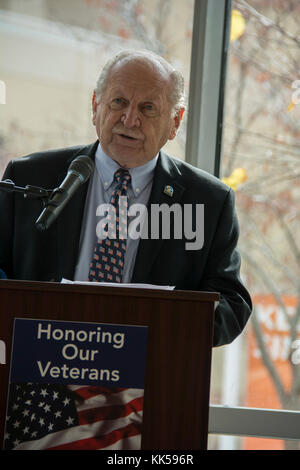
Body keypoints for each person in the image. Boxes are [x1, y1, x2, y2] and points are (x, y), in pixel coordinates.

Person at [0, 50, 252, 347]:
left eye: (147, 108)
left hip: (150, 376)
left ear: (175, 122)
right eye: (119, 102)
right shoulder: (31, 177)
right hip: (43, 368)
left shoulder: (208, 202)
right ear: (96, 106)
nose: (129, 120)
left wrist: (164, 327)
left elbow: (232, 303)